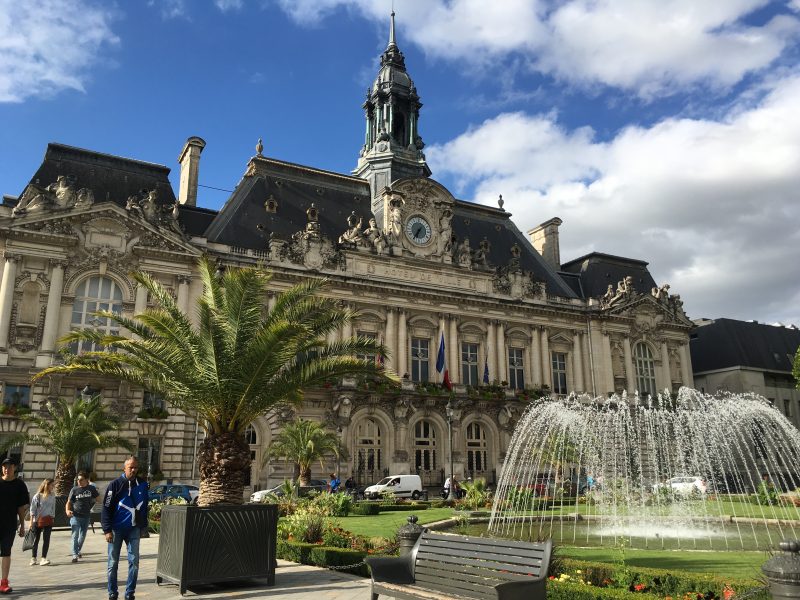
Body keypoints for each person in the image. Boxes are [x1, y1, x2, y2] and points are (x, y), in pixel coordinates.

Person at [101, 456, 149, 600]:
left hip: (133, 529)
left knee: (134, 562)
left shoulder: (142, 484)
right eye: (130, 467)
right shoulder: (114, 485)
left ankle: (130, 593)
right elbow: (106, 508)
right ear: (124, 468)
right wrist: (107, 530)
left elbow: (144, 507)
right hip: (116, 530)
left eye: (135, 467)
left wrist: (143, 527)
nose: (133, 470)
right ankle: (112, 592)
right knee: (113, 562)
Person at [0, 457, 30, 594]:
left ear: (15, 468)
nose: (7, 469)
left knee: (6, 553)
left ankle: (4, 582)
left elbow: (20, 508)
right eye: (5, 466)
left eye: (10, 466)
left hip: (9, 525)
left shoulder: (20, 485)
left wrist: (22, 525)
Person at [66, 471, 99, 563]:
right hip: (75, 516)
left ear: (87, 480)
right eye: (77, 480)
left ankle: (77, 550)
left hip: (86, 516)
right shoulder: (74, 490)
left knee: (82, 536)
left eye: (81, 480)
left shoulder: (91, 488)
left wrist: (93, 504)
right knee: (75, 535)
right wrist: (67, 510)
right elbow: (68, 502)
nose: (79, 482)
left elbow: (98, 499)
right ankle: (74, 554)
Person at [29, 478, 56, 566]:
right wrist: (31, 522)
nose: (53, 487)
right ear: (47, 485)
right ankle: (33, 558)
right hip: (37, 520)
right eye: (52, 485)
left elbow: (53, 508)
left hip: (48, 520)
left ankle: (43, 558)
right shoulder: (37, 496)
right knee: (35, 540)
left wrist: (52, 517)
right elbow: (32, 510)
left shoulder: (52, 495)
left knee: (46, 539)